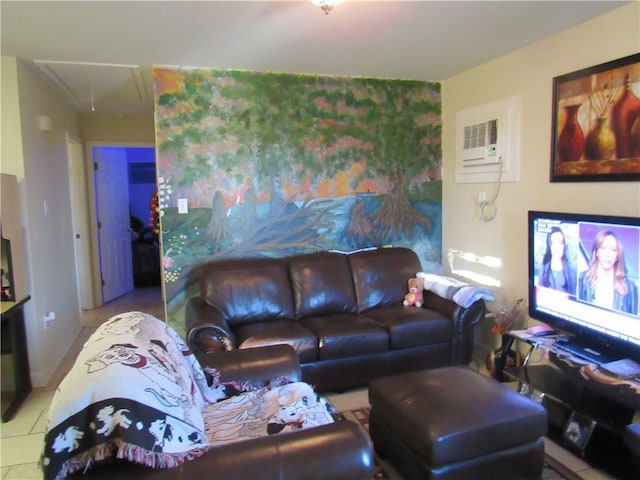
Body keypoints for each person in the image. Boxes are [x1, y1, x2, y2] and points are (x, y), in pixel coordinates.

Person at [578, 230, 638, 315]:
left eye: (613, 250)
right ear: (597, 252)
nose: (608, 254)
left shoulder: (630, 287)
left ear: (617, 256)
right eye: (603, 248)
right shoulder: (584, 278)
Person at [539, 226, 575, 293]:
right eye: (553, 243)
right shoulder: (543, 269)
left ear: (564, 245)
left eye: (560, 243)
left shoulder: (572, 273)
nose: (557, 247)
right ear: (549, 246)